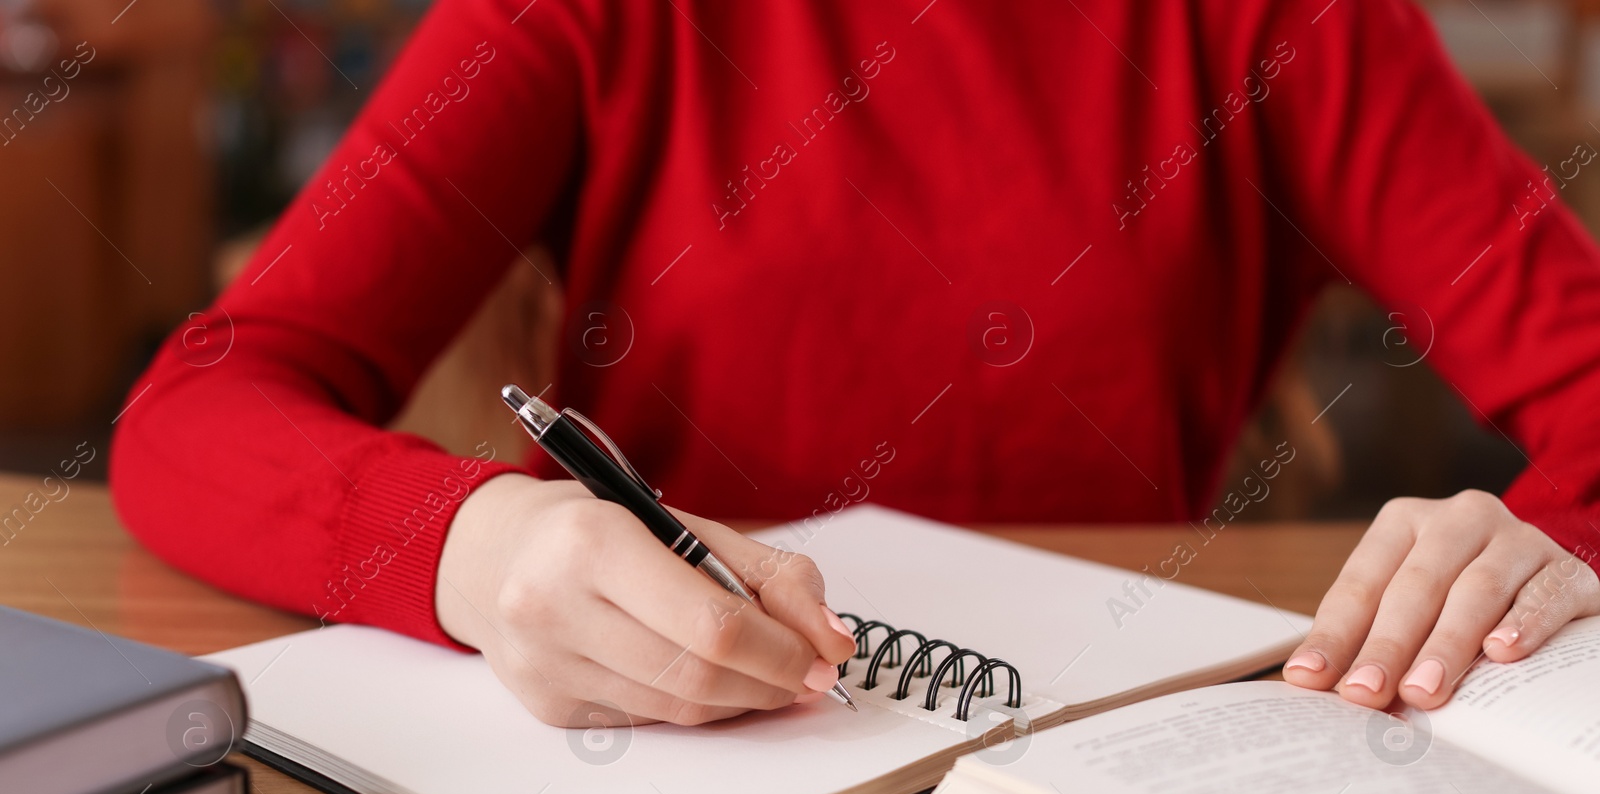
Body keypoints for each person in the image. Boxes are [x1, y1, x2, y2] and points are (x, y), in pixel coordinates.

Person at [110, 0, 1600, 728]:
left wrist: (1534, 550)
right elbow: (198, 412)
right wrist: (478, 540)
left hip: (1122, 791)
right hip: (674, 786)